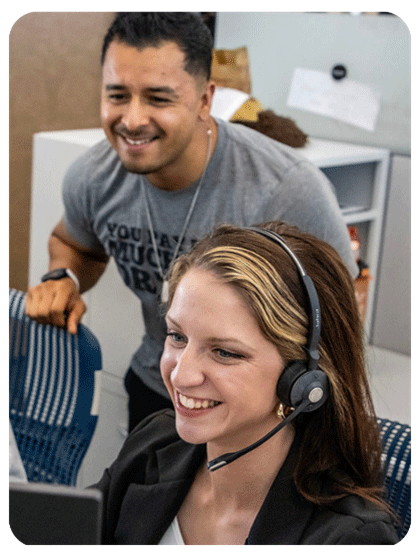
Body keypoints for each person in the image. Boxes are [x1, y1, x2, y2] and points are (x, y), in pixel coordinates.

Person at [25, 12, 358, 432]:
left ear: (205, 100)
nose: (132, 119)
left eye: (158, 98)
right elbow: (74, 241)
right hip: (158, 386)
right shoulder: (93, 176)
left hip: (258, 413)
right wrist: (63, 276)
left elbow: (340, 326)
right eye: (117, 95)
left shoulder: (286, 190)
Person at [91, 222, 398, 544]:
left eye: (224, 352)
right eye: (177, 336)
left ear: (304, 379)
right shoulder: (153, 443)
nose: (181, 375)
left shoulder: (350, 540)